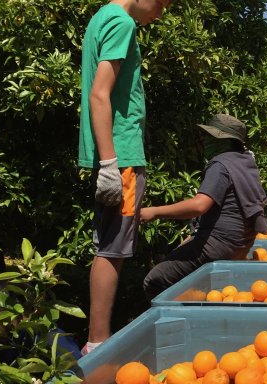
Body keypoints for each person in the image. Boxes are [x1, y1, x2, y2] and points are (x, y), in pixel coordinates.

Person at [77, 0, 173, 355]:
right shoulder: (122, 23)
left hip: (113, 155)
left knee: (108, 246)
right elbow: (100, 94)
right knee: (113, 250)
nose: (161, 13)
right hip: (122, 158)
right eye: (163, 3)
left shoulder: (102, 17)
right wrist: (110, 164)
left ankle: (96, 337)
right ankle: (98, 341)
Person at [140, 114, 267, 300]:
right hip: (241, 244)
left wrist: (154, 212)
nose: (204, 142)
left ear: (222, 141)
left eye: (209, 137)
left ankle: (186, 321)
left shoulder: (220, 164)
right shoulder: (245, 162)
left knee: (155, 281)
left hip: (219, 244)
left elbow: (200, 205)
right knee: (196, 283)